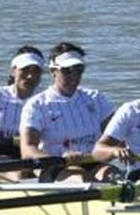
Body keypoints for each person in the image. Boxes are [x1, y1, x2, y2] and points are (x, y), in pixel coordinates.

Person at [19, 43, 114, 179]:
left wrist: (116, 150)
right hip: (54, 165)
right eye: (67, 70)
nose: (74, 76)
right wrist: (61, 159)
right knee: (78, 177)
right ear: (53, 72)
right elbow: (28, 151)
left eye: (78, 69)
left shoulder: (96, 98)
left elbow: (117, 139)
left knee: (114, 176)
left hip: (92, 162)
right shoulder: (37, 105)